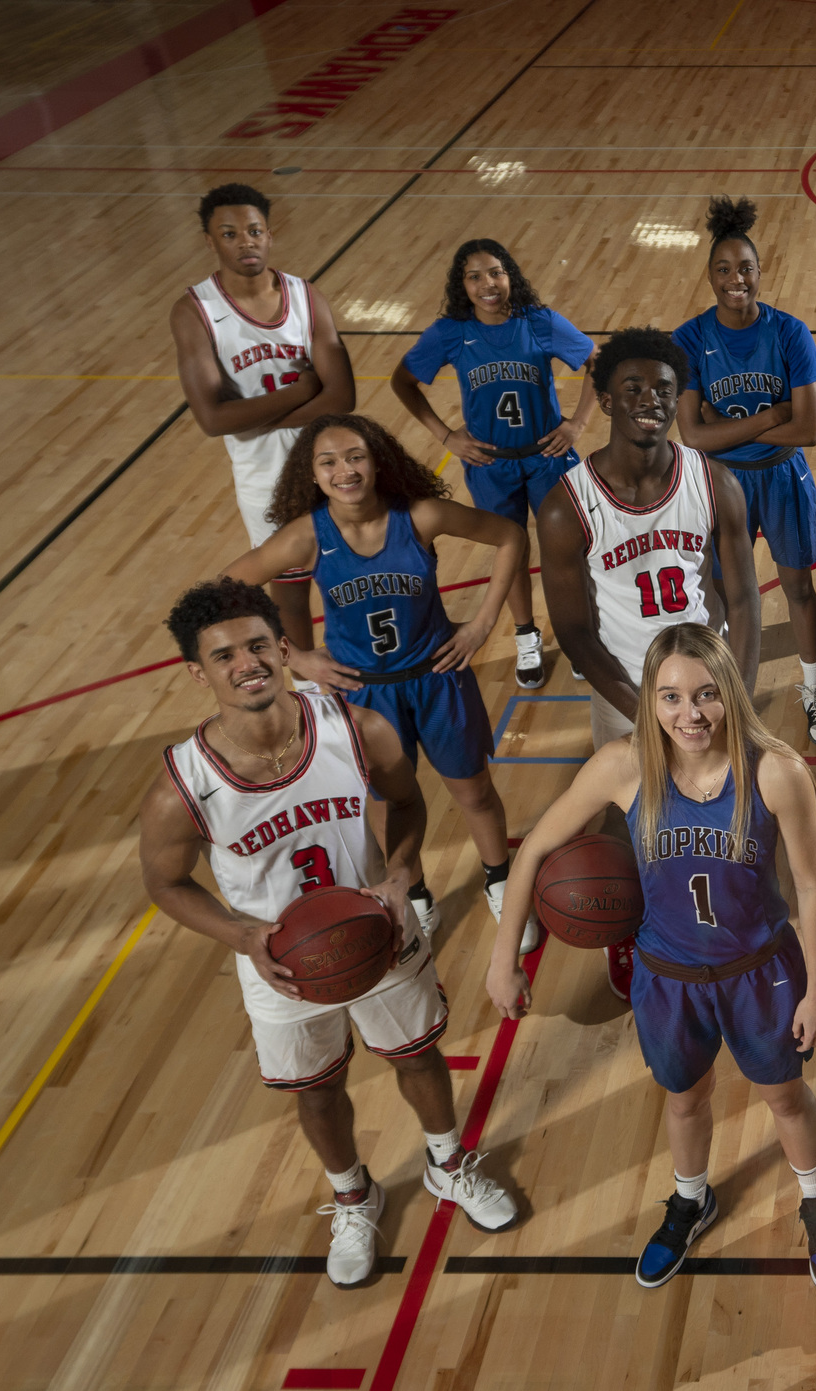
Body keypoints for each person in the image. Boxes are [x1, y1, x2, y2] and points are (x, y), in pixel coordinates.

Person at [139, 579, 520, 1288]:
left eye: (257, 645)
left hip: (378, 930)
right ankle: (353, 1194)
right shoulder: (183, 785)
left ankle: (446, 1162)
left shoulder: (354, 725)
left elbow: (406, 802)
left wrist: (402, 873)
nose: (246, 663)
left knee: (418, 1055)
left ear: (283, 647)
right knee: (317, 1089)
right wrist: (240, 934)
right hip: (280, 962)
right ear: (199, 672)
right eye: (224, 655)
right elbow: (165, 882)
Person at [485, 624, 816, 1292]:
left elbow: (814, 887)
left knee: (784, 1096)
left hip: (759, 972)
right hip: (668, 978)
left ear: (730, 693)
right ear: (649, 700)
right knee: (684, 1101)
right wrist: (503, 956)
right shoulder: (624, 766)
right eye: (673, 697)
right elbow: (533, 848)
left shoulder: (776, 771)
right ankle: (691, 1199)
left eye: (707, 694)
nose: (692, 713)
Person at [223, 413, 536, 952]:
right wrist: (296, 657)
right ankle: (411, 892)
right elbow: (228, 590)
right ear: (312, 474)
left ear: (378, 461)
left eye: (355, 457)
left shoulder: (419, 516)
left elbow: (509, 535)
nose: (344, 471)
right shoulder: (306, 536)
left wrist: (483, 624)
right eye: (328, 462)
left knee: (475, 791)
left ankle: (499, 879)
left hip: (436, 679)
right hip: (364, 694)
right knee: (390, 802)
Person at [537, 326, 760, 1001]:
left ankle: (732, 900)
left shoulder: (713, 481)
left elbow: (746, 594)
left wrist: (736, 690)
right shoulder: (565, 506)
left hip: (709, 676)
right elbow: (574, 630)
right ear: (603, 399)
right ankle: (629, 928)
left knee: (730, 800)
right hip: (624, 683)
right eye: (632, 389)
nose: (649, 401)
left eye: (663, 389)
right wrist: (643, 708)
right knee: (631, 811)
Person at [390, 237, 598, 688]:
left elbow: (597, 363)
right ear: (461, 285)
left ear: (511, 276)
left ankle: (577, 635)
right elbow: (402, 381)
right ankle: (526, 636)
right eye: (475, 276)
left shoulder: (539, 323)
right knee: (513, 551)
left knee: (568, 550)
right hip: (490, 464)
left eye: (496, 273)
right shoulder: (450, 333)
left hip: (547, 458)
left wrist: (577, 424)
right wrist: (446, 436)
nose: (488, 284)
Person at [672, 198, 816, 746]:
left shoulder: (789, 333)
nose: (735, 279)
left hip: (783, 476)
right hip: (722, 485)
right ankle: (720, 697)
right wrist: (771, 415)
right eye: (724, 269)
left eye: (745, 268)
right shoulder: (690, 340)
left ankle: (813, 689)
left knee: (798, 589)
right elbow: (692, 436)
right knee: (723, 596)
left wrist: (733, 425)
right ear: (710, 277)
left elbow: (808, 430)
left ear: (761, 273)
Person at [170, 184, 356, 652]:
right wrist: (300, 389)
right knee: (289, 587)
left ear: (269, 235)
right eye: (229, 234)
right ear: (210, 241)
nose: (245, 242)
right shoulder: (196, 311)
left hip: (329, 461)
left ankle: (367, 665)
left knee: (355, 574)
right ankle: (312, 689)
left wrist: (261, 417)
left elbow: (342, 396)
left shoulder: (304, 295)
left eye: (254, 231)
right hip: (264, 474)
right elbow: (213, 419)